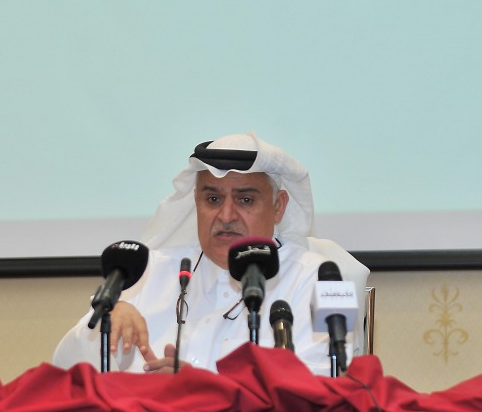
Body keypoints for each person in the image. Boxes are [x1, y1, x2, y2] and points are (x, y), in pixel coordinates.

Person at [52, 132, 367, 374]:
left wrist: (199, 391)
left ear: (278, 206)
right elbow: (65, 368)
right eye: (213, 199)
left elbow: (332, 379)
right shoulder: (146, 273)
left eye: (245, 200)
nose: (226, 215)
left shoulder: (329, 279)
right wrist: (105, 328)